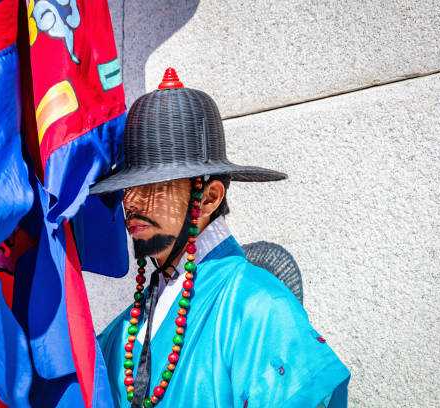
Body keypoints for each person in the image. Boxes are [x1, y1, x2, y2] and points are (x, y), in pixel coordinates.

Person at [90, 68, 350, 408]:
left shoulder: (259, 306)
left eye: (152, 188)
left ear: (209, 198)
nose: (131, 201)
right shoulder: (121, 332)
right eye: (127, 187)